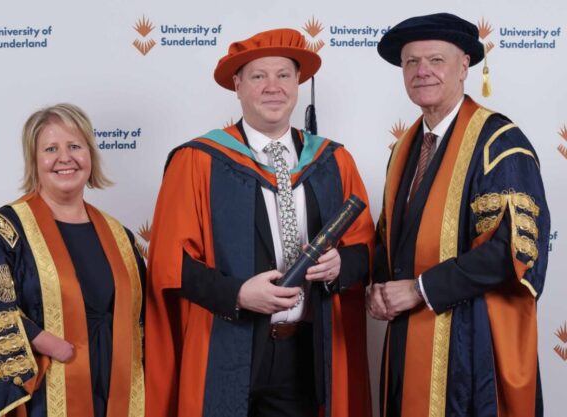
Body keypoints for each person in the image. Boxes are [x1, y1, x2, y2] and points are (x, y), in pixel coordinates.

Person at [145, 28, 374, 417]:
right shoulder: (198, 161)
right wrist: (237, 295)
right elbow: (171, 265)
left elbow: (367, 250)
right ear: (237, 85)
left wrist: (340, 265)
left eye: (284, 75)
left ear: (298, 83)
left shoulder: (333, 162)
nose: (273, 87)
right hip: (229, 341)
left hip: (307, 352)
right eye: (258, 76)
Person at [368, 13, 550, 417]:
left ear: (465, 65)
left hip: (471, 346)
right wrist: (378, 285)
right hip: (406, 340)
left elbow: (510, 251)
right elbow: (391, 238)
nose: (422, 72)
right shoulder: (404, 149)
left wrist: (418, 290)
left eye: (436, 60)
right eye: (411, 62)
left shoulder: (499, 143)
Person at [0, 103, 145, 417]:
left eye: (75, 146)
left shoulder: (121, 237)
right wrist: (42, 339)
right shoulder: (7, 231)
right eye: (50, 148)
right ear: (34, 160)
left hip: (113, 396)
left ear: (90, 155)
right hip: (44, 399)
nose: (65, 158)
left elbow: (142, 323)